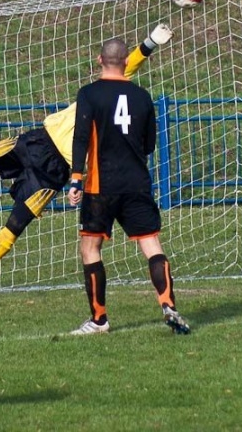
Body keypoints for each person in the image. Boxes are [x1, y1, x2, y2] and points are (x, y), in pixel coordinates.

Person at [0, 24, 173, 299]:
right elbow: (128, 63)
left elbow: (126, 65)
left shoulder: (109, 97)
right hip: (37, 142)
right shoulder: (97, 92)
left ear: (100, 61)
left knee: (16, 223)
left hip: (56, 171)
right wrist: (150, 42)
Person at [67, 38, 189, 335]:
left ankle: (99, 320)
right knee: (152, 246)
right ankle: (168, 304)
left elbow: (81, 137)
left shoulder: (89, 94)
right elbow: (149, 144)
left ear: (99, 60)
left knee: (91, 248)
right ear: (125, 62)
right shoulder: (142, 96)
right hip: (136, 183)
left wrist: (75, 179)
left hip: (100, 186)